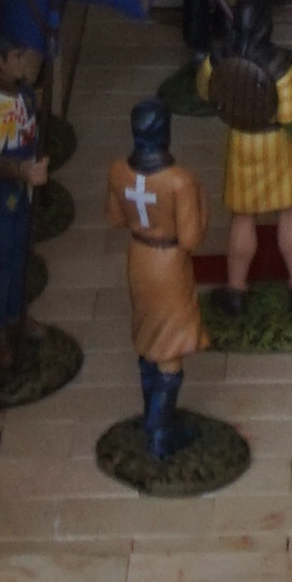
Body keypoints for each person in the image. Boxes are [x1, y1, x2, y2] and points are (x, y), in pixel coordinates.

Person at [106, 90, 209, 466]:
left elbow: (114, 217)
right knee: (171, 345)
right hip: (168, 264)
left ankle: (154, 412)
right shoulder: (180, 181)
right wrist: (203, 205)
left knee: (148, 334)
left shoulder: (118, 171)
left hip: (139, 258)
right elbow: (191, 239)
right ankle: (160, 430)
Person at [213, 0, 292, 310]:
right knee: (289, 212)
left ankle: (236, 290)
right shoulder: (279, 64)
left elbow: (207, 91)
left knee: (242, 218)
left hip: (241, 144)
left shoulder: (219, 57)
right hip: (276, 145)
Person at [0, 37, 48, 346]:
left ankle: (17, 315)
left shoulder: (24, 93)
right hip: (2, 196)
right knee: (4, 260)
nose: (24, 62)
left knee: (21, 255)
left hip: (23, 190)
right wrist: (19, 170)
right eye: (16, 56)